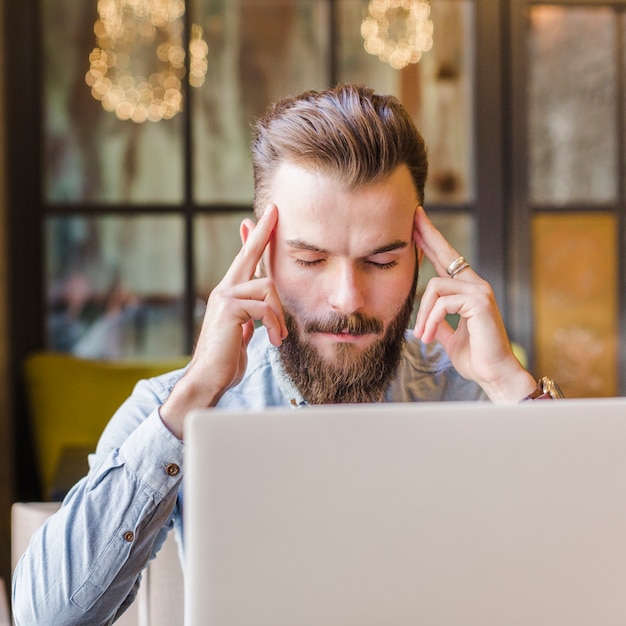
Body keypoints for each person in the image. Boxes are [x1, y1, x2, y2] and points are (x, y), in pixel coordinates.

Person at [12, 83, 558, 625]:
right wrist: (194, 398)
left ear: (419, 258)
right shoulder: (173, 409)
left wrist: (511, 383)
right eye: (310, 259)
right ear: (259, 255)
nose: (347, 298)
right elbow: (46, 617)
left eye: (382, 262)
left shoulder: (482, 399)